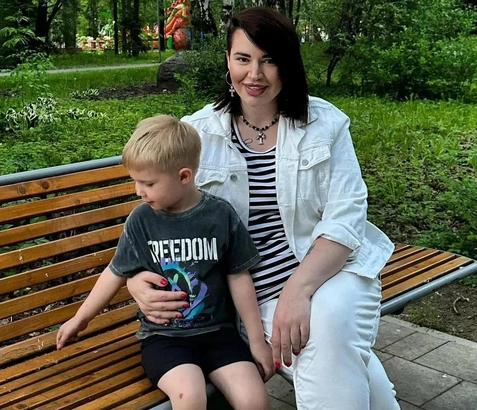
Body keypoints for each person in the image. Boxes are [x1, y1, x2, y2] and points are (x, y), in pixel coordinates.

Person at [124, 7, 401, 410]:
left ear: (287, 64)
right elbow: (158, 216)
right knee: (346, 363)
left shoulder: (326, 124)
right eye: (243, 59)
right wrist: (135, 280)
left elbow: (346, 219)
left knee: (328, 322)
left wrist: (298, 290)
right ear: (228, 60)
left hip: (330, 274)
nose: (254, 74)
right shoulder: (198, 133)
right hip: (253, 301)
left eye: (269, 60)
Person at [56, 115, 274, 410]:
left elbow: (239, 277)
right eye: (136, 181)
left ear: (184, 176)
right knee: (190, 397)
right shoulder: (142, 220)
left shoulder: (220, 215)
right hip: (165, 339)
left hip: (219, 335)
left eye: (148, 183)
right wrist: (80, 319)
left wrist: (257, 342)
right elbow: (115, 272)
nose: (138, 191)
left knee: (254, 400)